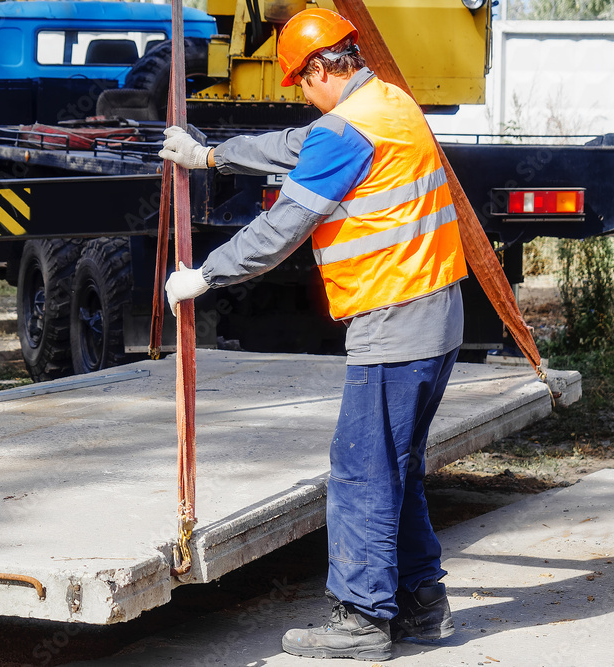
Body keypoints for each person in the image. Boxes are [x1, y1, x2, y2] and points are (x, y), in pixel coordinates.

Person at [159, 8, 466, 662]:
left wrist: (204, 276)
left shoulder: (347, 133)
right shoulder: (389, 105)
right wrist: (210, 153)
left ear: (325, 68)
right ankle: (421, 601)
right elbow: (296, 142)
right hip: (436, 317)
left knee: (360, 469)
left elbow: (278, 232)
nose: (301, 90)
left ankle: (360, 618)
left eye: (301, 78)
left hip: (396, 322)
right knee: (396, 466)